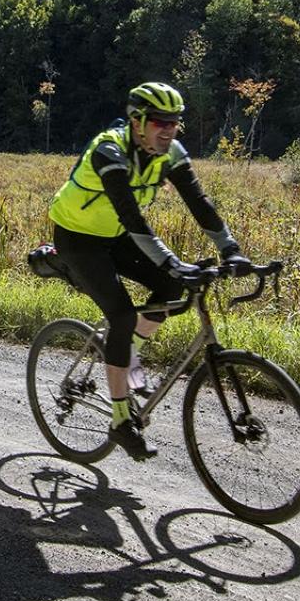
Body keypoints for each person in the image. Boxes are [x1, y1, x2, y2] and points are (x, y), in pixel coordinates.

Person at [47, 82, 250, 461]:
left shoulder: (169, 153)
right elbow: (132, 216)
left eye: (174, 123)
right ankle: (122, 421)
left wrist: (231, 250)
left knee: (173, 291)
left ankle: (126, 352)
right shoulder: (109, 150)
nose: (169, 130)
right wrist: (171, 259)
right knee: (122, 316)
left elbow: (199, 203)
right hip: (78, 237)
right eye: (160, 122)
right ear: (137, 121)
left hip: (116, 235)